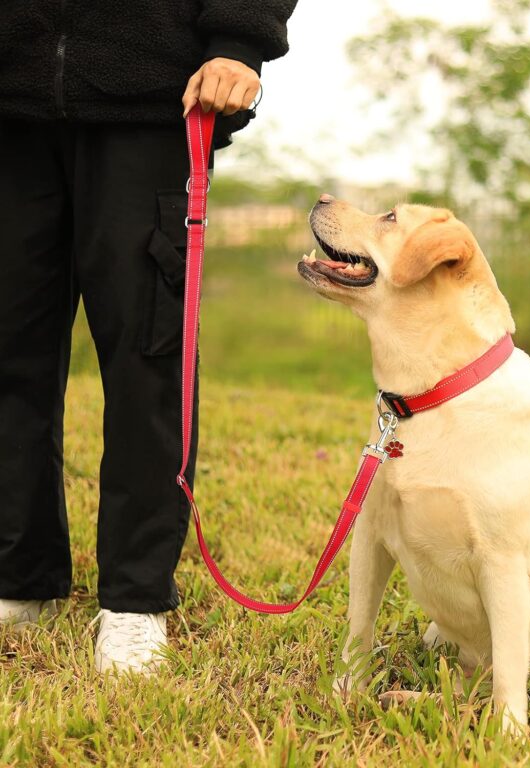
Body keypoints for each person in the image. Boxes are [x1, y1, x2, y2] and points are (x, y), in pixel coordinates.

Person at [0, 1, 298, 674]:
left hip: (147, 100)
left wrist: (238, 44)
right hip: (9, 98)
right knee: (8, 353)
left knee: (147, 358)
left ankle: (135, 601)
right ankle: (20, 576)